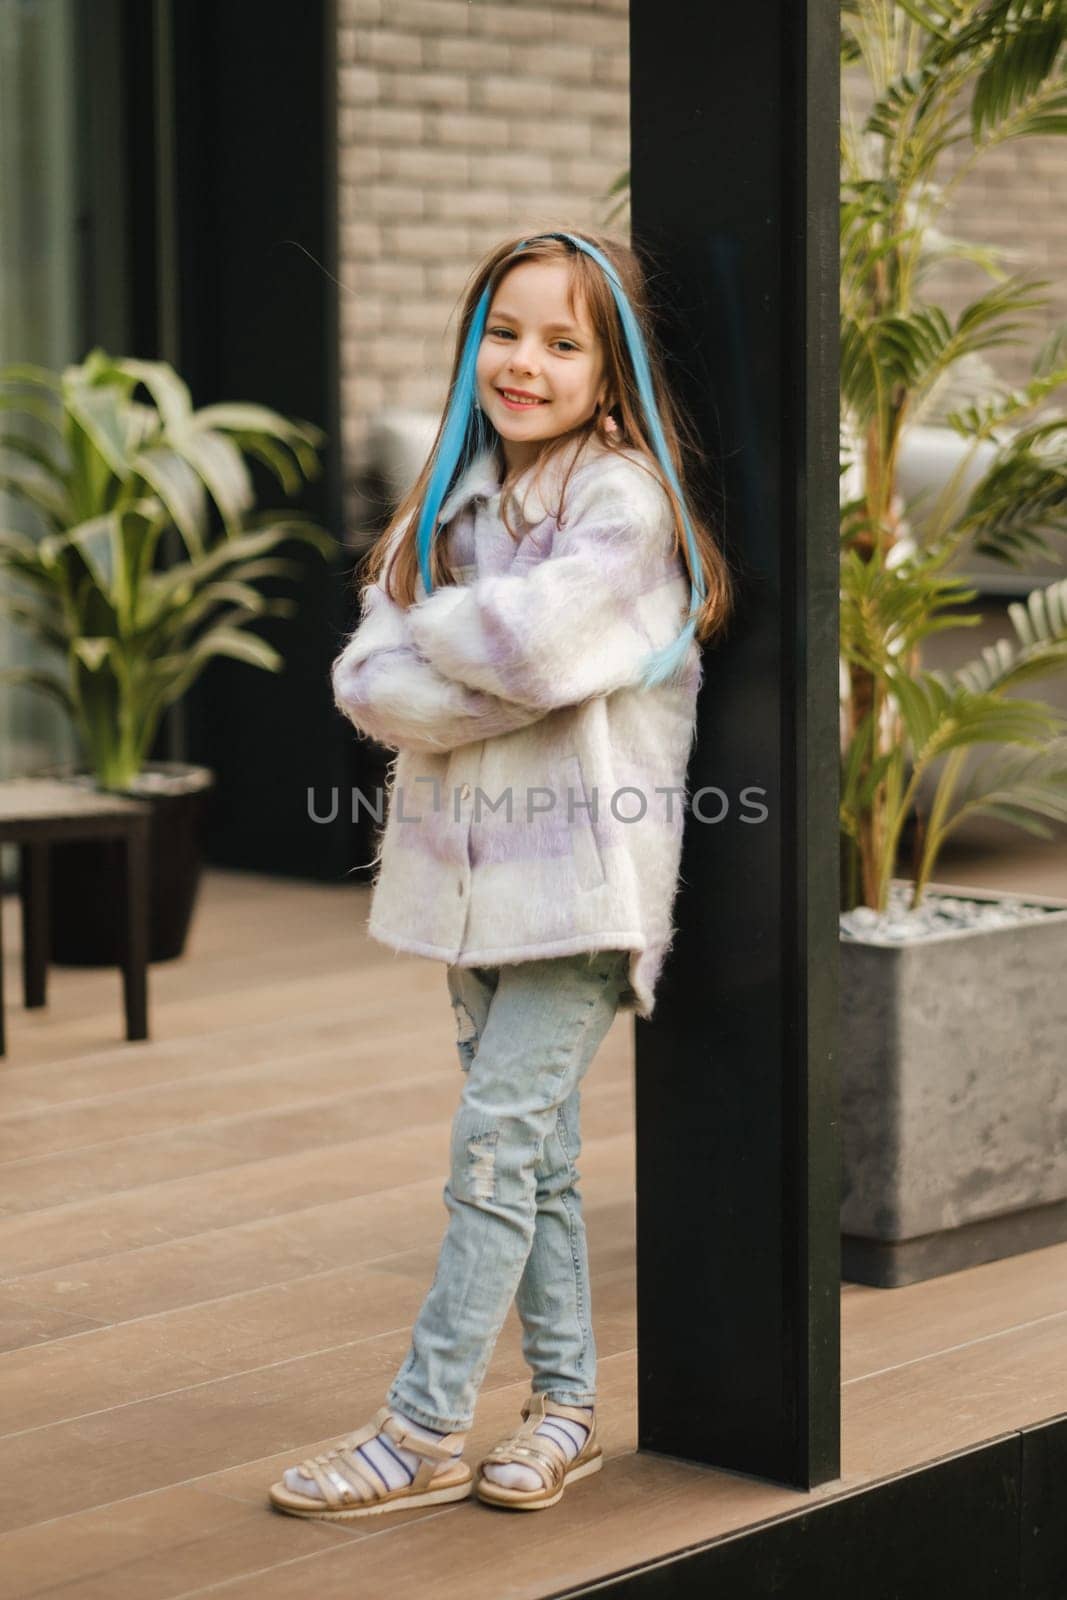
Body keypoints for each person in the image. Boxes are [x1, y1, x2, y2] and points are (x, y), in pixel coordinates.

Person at [269, 228, 734, 1521]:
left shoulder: (625, 502)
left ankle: (423, 1426)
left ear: (613, 364)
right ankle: (568, 1408)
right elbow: (367, 683)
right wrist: (450, 658)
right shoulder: (455, 504)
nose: (524, 362)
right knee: (530, 1161)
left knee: (491, 1146)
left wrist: (440, 649)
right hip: (467, 888)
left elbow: (532, 649)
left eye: (562, 340)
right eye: (505, 333)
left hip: (582, 887)